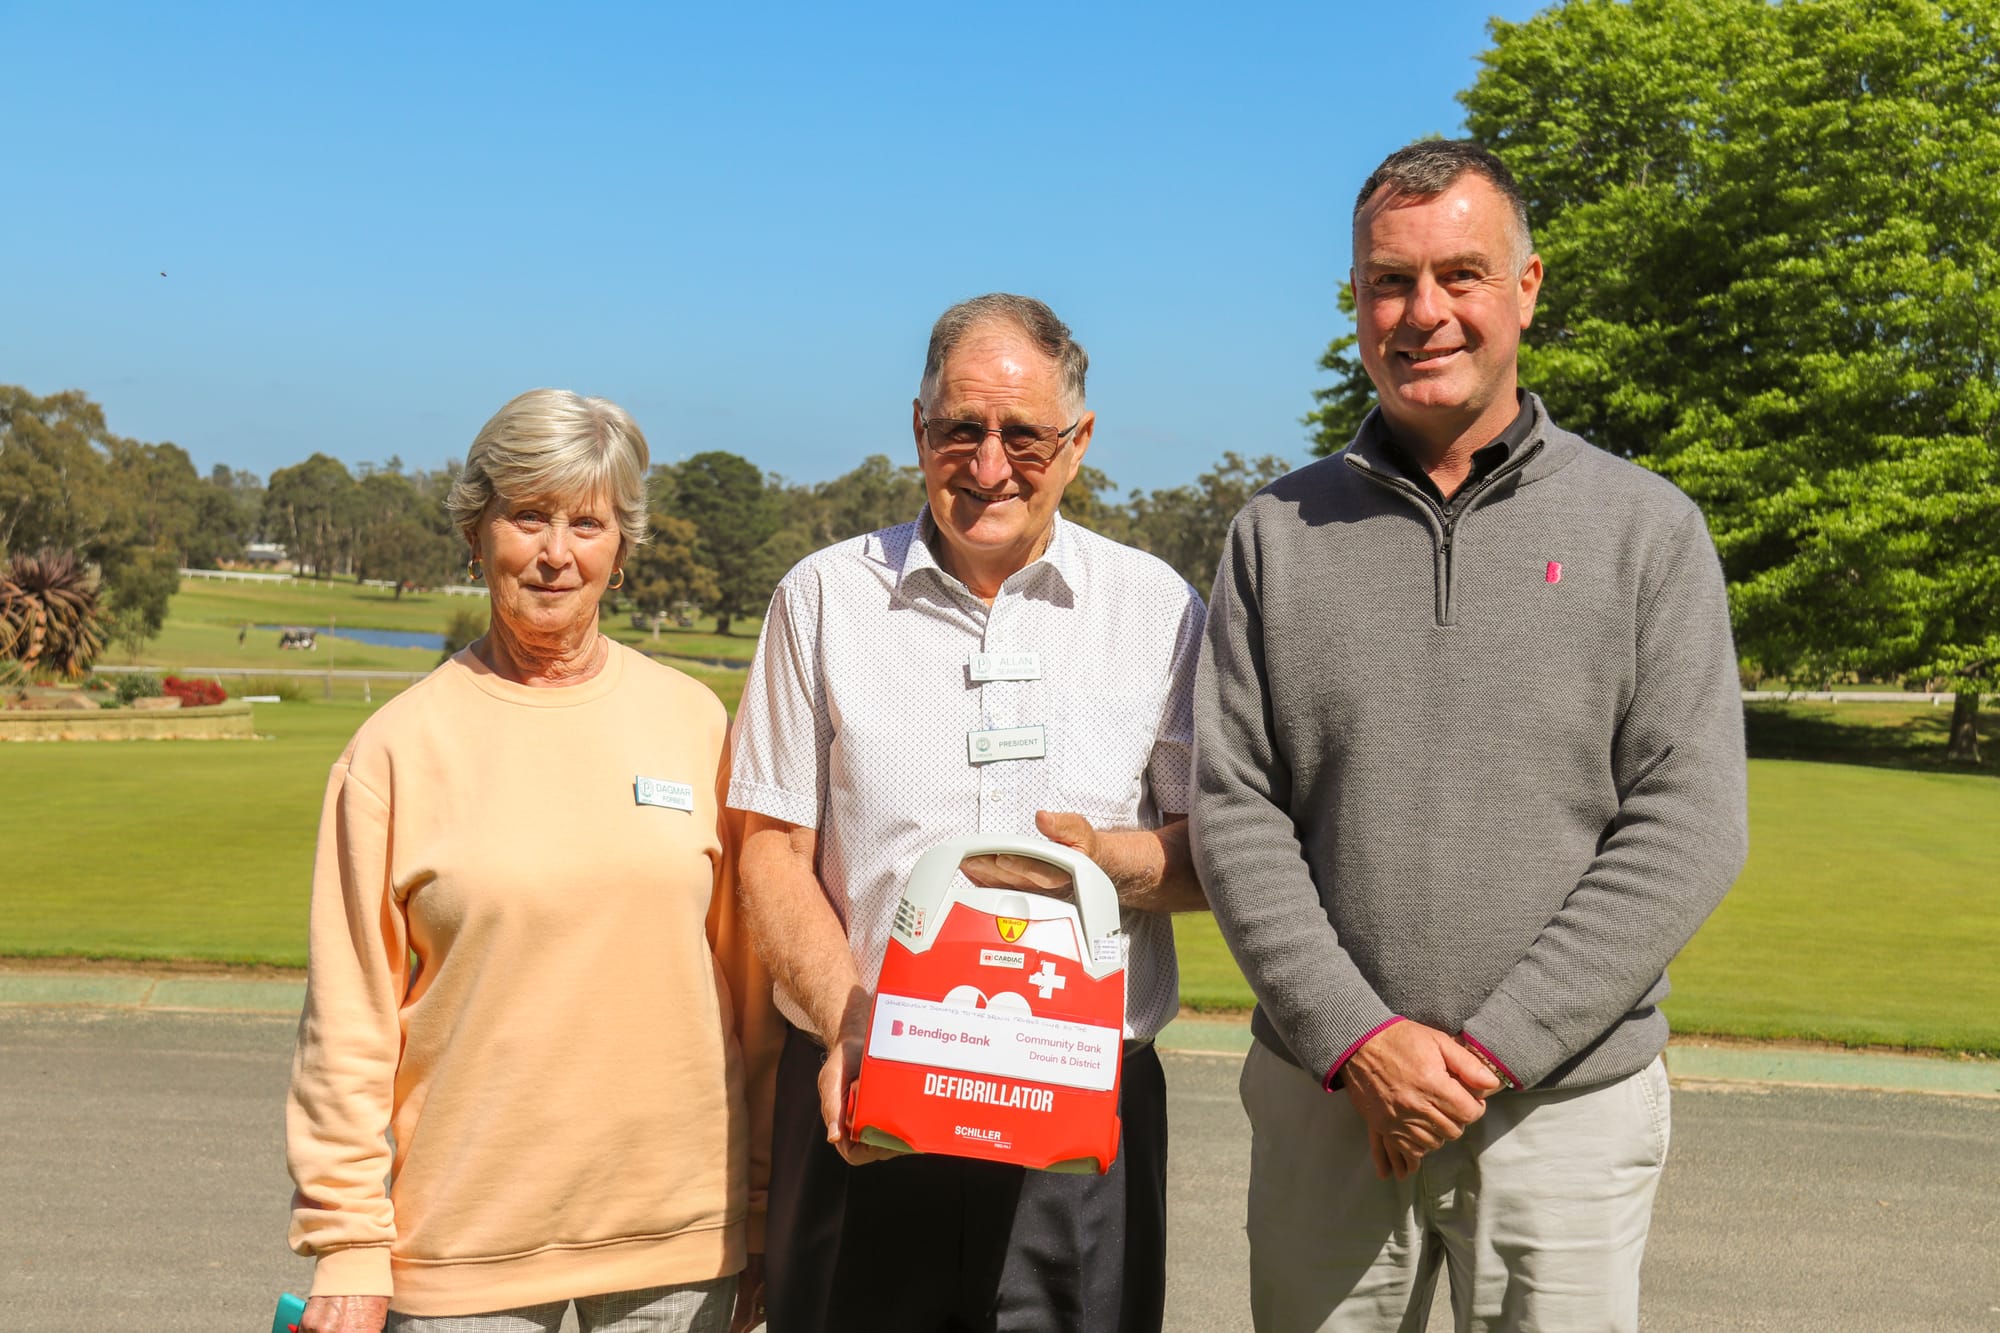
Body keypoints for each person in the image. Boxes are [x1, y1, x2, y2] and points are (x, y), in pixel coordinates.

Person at [1191, 140, 1749, 1333]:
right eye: (1388, 281)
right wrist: (1359, 1041)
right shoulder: (1272, 533)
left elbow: (1687, 824)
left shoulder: (1645, 529)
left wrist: (1489, 1052)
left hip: (1562, 1113)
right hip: (1327, 1103)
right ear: (1354, 300)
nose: (1422, 312)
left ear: (1526, 287)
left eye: (1460, 274)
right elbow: (1236, 810)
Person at [729, 293, 1208, 1332]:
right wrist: (852, 1020)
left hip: (1079, 1112)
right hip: (866, 1088)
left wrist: (1106, 861)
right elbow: (770, 850)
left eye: (1023, 434)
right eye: (961, 429)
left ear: (1077, 442)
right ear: (919, 429)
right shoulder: (822, 598)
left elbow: (1206, 858)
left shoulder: (1159, 610)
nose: (989, 465)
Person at [285, 389, 779, 1333]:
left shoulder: (694, 724)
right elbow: (347, 1025)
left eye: (587, 523)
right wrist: (346, 1242)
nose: (557, 552)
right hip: (464, 1251)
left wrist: (761, 1207)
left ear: (621, 549)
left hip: (679, 1246)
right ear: (477, 533)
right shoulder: (394, 751)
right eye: (527, 516)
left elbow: (751, 999)